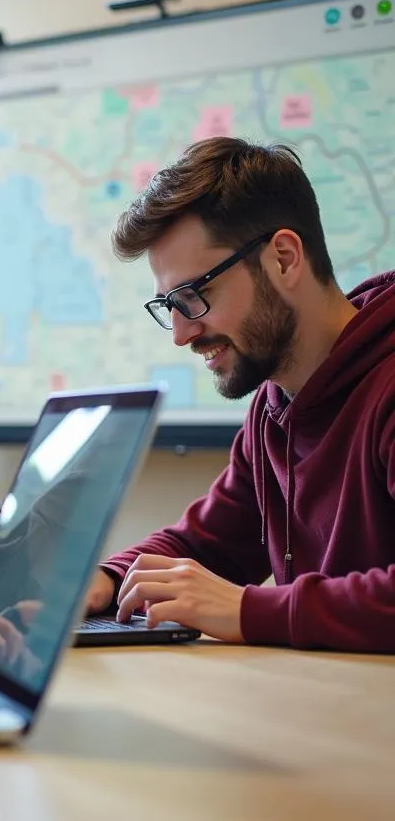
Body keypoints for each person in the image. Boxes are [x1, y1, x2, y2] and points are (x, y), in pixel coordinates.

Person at [85, 137, 395, 652]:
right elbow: (206, 544)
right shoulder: (274, 407)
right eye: (169, 304)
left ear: (284, 259)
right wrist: (106, 579)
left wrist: (246, 609)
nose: (181, 334)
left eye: (194, 296)